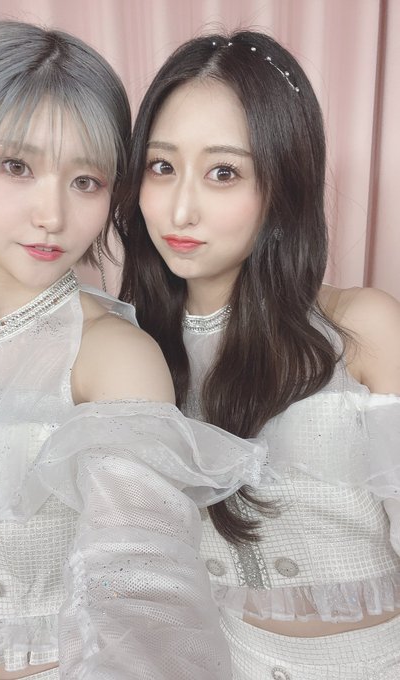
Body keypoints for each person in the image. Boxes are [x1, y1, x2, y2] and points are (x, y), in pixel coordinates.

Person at [0, 21, 266, 680]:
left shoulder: (113, 356)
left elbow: (143, 607)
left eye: (86, 180)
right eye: (16, 166)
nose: (53, 215)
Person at [118, 29, 400, 679]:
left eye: (224, 172)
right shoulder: (131, 353)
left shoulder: (360, 328)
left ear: (281, 181)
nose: (180, 208)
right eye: (162, 167)